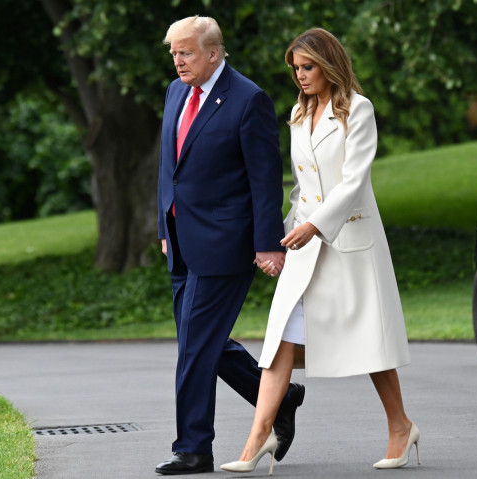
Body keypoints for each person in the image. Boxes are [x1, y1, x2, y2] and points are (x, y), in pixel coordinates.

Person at [220, 28, 419, 475]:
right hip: (305, 244)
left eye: (307, 67)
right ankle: (257, 439)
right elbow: (301, 188)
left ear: (328, 64)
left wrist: (314, 226)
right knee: (279, 340)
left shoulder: (358, 110)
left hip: (348, 243)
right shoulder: (296, 112)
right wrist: (282, 238)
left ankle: (401, 427)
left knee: (372, 345)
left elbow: (354, 182)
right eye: (295, 69)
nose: (300, 76)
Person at [155, 16, 306, 475]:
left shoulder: (248, 99)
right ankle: (281, 395)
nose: (178, 61)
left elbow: (264, 180)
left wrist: (267, 244)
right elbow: (171, 167)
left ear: (214, 52)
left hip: (225, 242)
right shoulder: (175, 92)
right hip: (181, 238)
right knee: (202, 341)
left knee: (196, 347)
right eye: (174, 53)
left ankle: (194, 448)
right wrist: (164, 228)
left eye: (187, 52)